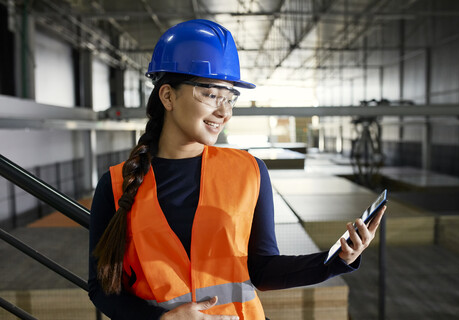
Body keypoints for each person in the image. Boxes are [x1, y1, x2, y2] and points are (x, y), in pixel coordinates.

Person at [88, 19, 386, 320]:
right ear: (168, 96)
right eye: (211, 94)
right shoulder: (115, 185)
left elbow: (263, 270)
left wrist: (336, 259)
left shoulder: (249, 172)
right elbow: (101, 289)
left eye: (230, 98)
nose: (224, 112)